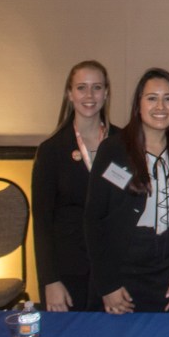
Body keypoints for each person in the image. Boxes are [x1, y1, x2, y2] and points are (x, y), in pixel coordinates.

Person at [85, 68, 169, 314]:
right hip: (123, 272)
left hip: (168, 271)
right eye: (152, 98)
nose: (160, 106)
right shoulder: (113, 149)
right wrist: (107, 285)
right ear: (139, 104)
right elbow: (93, 220)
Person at [32, 60, 119, 311]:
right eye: (81, 88)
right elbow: (42, 223)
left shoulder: (123, 143)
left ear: (107, 93)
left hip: (115, 269)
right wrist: (50, 280)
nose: (89, 95)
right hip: (69, 271)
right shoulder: (51, 151)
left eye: (97, 87)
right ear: (70, 94)